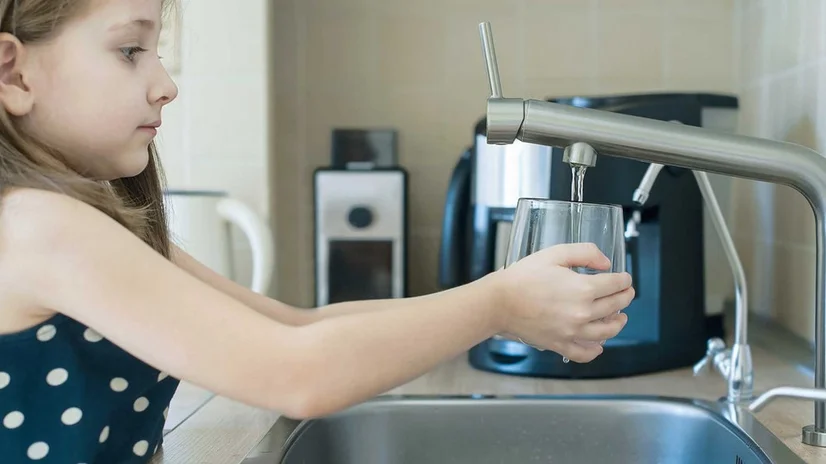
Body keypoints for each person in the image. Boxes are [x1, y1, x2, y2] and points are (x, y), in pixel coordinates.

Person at [0, 0, 635, 462]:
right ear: (13, 74)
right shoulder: (37, 226)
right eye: (130, 49)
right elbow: (299, 374)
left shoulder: (85, 223)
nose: (165, 86)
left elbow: (294, 327)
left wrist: (502, 307)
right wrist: (499, 301)